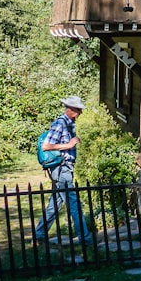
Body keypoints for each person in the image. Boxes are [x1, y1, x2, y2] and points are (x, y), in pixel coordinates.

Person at [34, 95, 93, 243]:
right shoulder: (60, 123)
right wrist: (68, 145)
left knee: (55, 203)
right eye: (79, 110)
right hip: (61, 169)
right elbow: (46, 146)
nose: (81, 113)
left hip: (65, 168)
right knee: (73, 202)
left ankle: (39, 234)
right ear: (71, 109)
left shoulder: (69, 123)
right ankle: (85, 238)